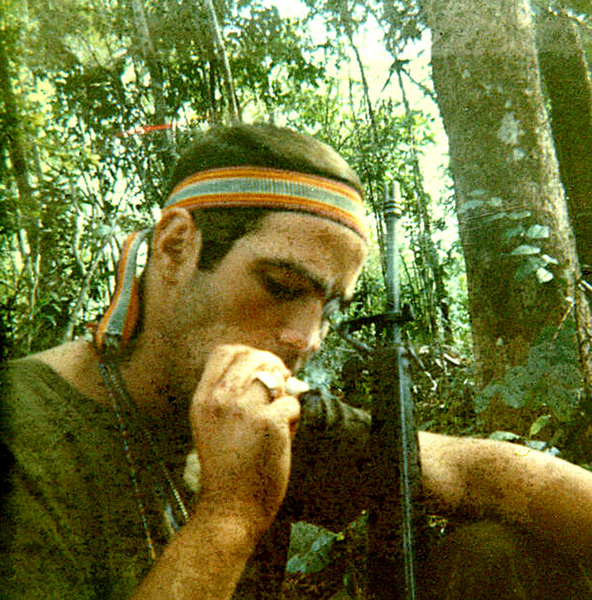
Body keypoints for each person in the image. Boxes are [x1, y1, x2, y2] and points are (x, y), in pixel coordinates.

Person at [2, 123, 592, 600]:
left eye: (329, 307)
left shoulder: (266, 413)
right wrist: (232, 513)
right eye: (282, 285)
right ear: (176, 247)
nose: (307, 338)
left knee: (495, 554)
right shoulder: (24, 430)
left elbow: (479, 472)